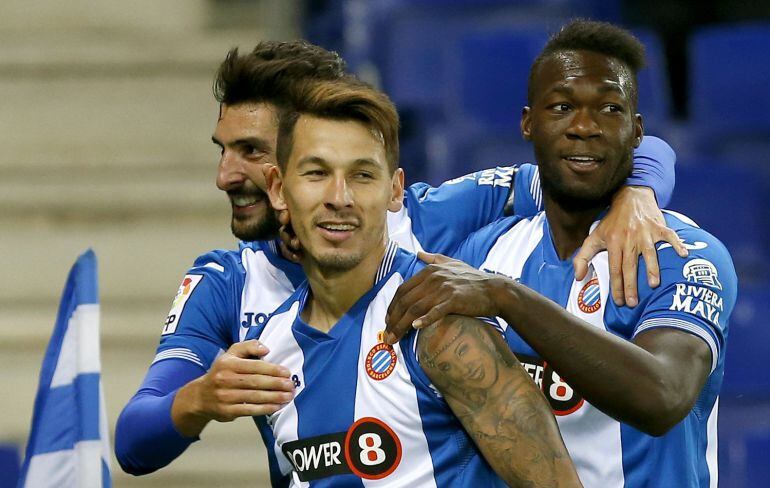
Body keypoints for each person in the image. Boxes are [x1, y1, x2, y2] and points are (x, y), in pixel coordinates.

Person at [115, 40, 683, 475]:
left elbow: (589, 160)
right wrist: (198, 400)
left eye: (251, 151)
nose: (226, 176)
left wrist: (640, 190)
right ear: (284, 184)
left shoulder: (428, 218)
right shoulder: (226, 282)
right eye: (224, 151)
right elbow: (134, 442)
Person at [383, 20, 736, 487]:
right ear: (529, 123)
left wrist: (507, 298)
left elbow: (663, 398)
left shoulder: (682, 254)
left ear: (636, 132)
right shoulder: (487, 249)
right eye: (563, 107)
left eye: (609, 109)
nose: (584, 127)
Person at [250, 76, 581, 486]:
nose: (340, 197)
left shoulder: (440, 320)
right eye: (317, 173)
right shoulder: (268, 351)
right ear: (279, 189)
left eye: (363, 176)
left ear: (395, 191)